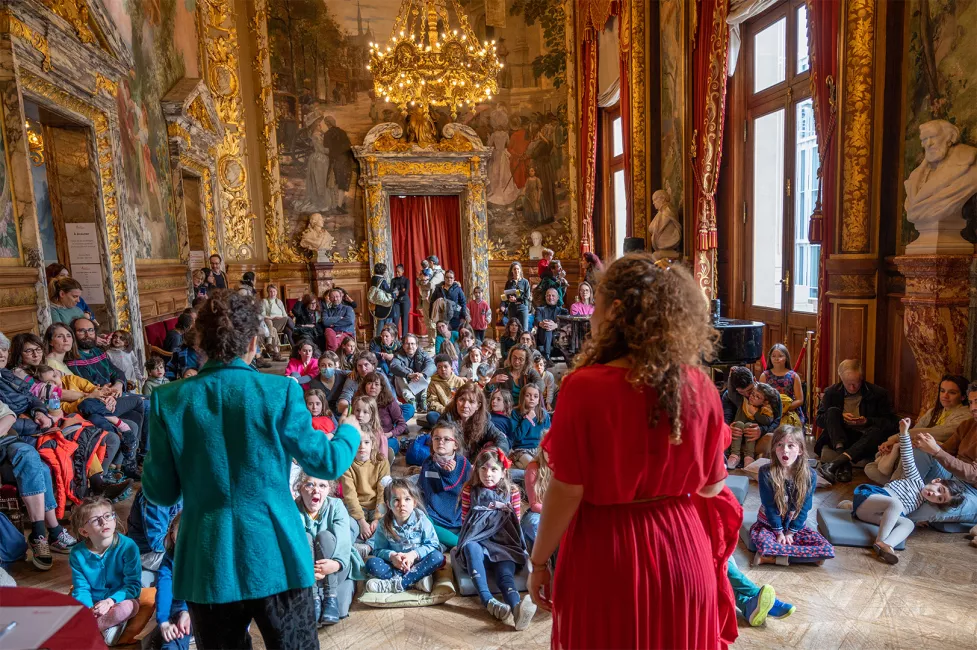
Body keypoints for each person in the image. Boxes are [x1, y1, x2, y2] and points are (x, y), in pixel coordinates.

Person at [527, 254, 739, 649]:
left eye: (596, 306)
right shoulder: (700, 387)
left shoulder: (584, 387)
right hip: (683, 555)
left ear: (614, 311)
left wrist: (539, 561)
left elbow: (566, 490)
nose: (592, 316)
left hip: (607, 555)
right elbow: (711, 488)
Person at [141, 289, 361, 647]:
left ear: (199, 343)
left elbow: (160, 492)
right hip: (276, 550)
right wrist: (350, 431)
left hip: (207, 557)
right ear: (254, 343)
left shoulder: (168, 399)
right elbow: (328, 461)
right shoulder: (279, 391)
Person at [849, 417, 966, 564]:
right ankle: (880, 542)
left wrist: (916, 522)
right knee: (896, 504)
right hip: (873, 498)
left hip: (874, 516)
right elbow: (907, 457)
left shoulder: (921, 503)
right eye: (939, 490)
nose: (935, 494)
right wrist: (904, 432)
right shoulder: (915, 479)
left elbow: (899, 515)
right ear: (936, 481)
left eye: (939, 498)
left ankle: (888, 545)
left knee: (908, 523)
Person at [456, 447, 536, 630]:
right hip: (477, 539)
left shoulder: (512, 491)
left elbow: (515, 522)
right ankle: (488, 600)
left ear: (503, 471)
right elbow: (465, 522)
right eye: (483, 468)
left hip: (503, 542)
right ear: (477, 470)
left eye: (493, 469)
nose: (488, 474)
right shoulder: (470, 490)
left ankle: (516, 608)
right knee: (470, 548)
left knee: (505, 573)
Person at [751, 426, 835, 565]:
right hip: (769, 525)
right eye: (779, 444)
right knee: (765, 544)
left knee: (826, 550)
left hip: (795, 526)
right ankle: (797, 558)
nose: (785, 450)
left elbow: (805, 507)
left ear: (800, 450)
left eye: (791, 446)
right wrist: (779, 532)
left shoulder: (810, 475)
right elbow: (770, 506)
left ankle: (772, 558)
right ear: (774, 448)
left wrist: (790, 532)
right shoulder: (766, 472)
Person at [866, 374, 971, 484]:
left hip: (940, 463)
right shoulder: (933, 411)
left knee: (917, 447)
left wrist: (898, 437)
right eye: (942, 391)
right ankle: (900, 483)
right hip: (916, 461)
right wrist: (896, 442)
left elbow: (938, 433)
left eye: (952, 393)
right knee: (870, 468)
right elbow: (916, 430)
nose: (945, 396)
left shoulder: (965, 415)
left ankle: (899, 485)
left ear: (963, 397)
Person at [900, 381, 977, 525]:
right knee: (922, 450)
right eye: (971, 402)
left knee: (938, 510)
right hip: (951, 478)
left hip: (972, 491)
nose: (973, 408)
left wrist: (936, 450)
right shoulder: (968, 425)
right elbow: (946, 451)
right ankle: (896, 496)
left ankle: (888, 513)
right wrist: (925, 445)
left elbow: (973, 474)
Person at [69, 497, 143, 646]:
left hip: (119, 600)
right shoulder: (77, 553)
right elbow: (81, 588)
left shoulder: (128, 546)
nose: (104, 522)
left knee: (128, 608)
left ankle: (88, 630)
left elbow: (133, 585)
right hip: (93, 602)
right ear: (84, 531)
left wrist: (110, 602)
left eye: (108, 516)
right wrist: (89, 609)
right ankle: (107, 626)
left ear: (114, 520)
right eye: (95, 520)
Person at [816, 359, 899, 484]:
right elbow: (819, 420)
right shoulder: (831, 392)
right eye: (848, 383)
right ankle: (844, 464)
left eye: (856, 383)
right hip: (838, 437)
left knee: (876, 432)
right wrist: (840, 417)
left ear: (861, 378)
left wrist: (867, 421)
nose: (852, 387)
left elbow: (891, 423)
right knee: (832, 411)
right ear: (841, 379)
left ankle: (834, 464)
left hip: (864, 438)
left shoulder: (878, 393)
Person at [294, 473, 359, 627]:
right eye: (310, 485)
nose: (316, 490)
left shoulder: (336, 505)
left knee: (325, 536)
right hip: (307, 572)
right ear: (300, 488)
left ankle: (331, 597)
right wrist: (308, 571)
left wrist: (336, 564)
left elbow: (344, 540)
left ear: (329, 489)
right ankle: (313, 598)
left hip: (335, 568)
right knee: (305, 537)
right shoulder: (293, 509)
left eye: (322, 485)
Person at [364, 478, 445, 594]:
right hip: (395, 565)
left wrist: (413, 555)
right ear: (388, 504)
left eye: (407, 499)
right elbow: (378, 550)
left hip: (417, 563)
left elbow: (433, 544)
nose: (402, 504)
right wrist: (393, 556)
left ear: (414, 502)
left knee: (437, 557)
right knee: (371, 564)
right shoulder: (383, 524)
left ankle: (398, 583)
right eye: (396, 500)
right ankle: (414, 580)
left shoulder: (422, 520)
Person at [339, 422, 391, 555]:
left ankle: (368, 547)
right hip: (356, 507)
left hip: (377, 506)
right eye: (358, 442)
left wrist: (377, 518)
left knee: (386, 523)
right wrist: (361, 521)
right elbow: (350, 495)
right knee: (347, 524)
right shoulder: (347, 464)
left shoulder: (381, 462)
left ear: (372, 444)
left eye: (366, 442)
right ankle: (347, 550)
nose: (362, 446)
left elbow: (383, 492)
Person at [418, 420, 472, 547]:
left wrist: (449, 474)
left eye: (446, 439)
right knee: (422, 520)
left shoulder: (463, 463)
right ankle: (458, 544)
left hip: (457, 513)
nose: (440, 442)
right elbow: (425, 490)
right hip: (434, 513)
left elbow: (464, 491)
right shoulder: (428, 463)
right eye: (436, 438)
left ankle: (452, 543)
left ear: (455, 445)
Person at [143, 514, 192, 650]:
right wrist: (163, 620)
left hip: (201, 608)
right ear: (172, 535)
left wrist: (187, 611)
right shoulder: (170, 558)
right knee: (174, 638)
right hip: (178, 610)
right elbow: (164, 588)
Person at [722, 365, 783, 459]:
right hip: (737, 439)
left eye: (750, 390)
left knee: (771, 438)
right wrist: (730, 429)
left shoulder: (771, 394)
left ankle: (750, 455)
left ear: (754, 380)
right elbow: (726, 419)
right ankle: (738, 455)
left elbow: (776, 421)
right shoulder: (729, 396)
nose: (747, 395)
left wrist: (761, 430)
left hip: (758, 439)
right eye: (742, 392)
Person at [442, 383, 510, 462]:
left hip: (474, 462)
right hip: (450, 462)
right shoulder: (447, 418)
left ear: (478, 406)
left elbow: (501, 438)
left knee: (491, 445)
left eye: (471, 402)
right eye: (462, 399)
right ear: (456, 401)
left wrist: (495, 453)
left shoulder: (483, 421)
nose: (465, 405)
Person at [126, 488, 182, 584]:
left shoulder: (185, 489)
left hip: (171, 543)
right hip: (148, 552)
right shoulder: (156, 494)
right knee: (194, 564)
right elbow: (158, 544)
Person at [727, 383, 779, 469]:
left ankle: (749, 457)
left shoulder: (765, 409)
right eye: (752, 394)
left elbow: (767, 421)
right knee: (738, 424)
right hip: (739, 434)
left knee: (750, 426)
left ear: (765, 402)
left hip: (753, 437)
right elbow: (731, 394)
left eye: (757, 397)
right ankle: (735, 455)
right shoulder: (744, 402)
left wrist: (755, 413)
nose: (752, 397)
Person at [355, 372, 406, 457]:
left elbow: (402, 424)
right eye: (369, 383)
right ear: (364, 386)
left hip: (385, 437)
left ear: (381, 387)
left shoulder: (389, 401)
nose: (373, 387)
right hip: (363, 437)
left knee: (386, 447)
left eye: (376, 384)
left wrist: (390, 434)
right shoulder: (359, 401)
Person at [760, 344, 805, 425]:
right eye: (773, 356)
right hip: (771, 412)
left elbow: (800, 400)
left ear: (786, 358)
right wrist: (774, 410)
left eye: (780, 356)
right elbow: (761, 397)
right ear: (770, 358)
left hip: (790, 411)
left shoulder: (794, 376)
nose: (777, 359)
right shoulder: (765, 376)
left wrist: (784, 408)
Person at [390, 334, 435, 412]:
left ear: (416, 345)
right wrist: (408, 374)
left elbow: (432, 365)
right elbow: (394, 366)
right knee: (398, 375)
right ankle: (411, 400)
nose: (410, 346)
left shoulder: (423, 354)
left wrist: (422, 375)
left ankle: (424, 398)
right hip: (405, 388)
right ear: (403, 345)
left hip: (420, 386)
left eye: (412, 344)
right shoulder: (398, 355)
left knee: (428, 374)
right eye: (407, 344)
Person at [508, 383, 549, 469]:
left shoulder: (544, 414)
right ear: (523, 397)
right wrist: (528, 419)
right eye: (528, 395)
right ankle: (519, 461)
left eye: (535, 396)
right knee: (533, 466)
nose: (532, 398)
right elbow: (516, 437)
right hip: (522, 450)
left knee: (547, 467)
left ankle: (520, 464)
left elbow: (548, 436)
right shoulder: (515, 413)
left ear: (539, 399)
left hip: (539, 449)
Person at [425, 354, 467, 427]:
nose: (443, 369)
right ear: (437, 370)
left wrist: (456, 410)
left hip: (457, 411)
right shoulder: (433, 383)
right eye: (439, 367)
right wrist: (445, 410)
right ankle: (450, 426)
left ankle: (447, 426)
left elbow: (465, 398)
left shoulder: (459, 381)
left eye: (445, 366)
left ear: (451, 368)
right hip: (443, 412)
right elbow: (432, 401)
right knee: (431, 416)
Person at [521, 447, 550, 551]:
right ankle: (539, 557)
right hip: (541, 510)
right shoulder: (534, 467)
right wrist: (554, 513)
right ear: (542, 450)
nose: (551, 453)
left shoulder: (567, 467)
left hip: (562, 510)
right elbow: (534, 504)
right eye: (548, 450)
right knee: (531, 524)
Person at [534, 288, 568, 363]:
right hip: (543, 336)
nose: (550, 297)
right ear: (545, 297)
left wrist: (556, 325)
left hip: (558, 336)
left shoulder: (563, 311)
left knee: (548, 327)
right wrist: (542, 324)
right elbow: (537, 319)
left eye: (553, 295)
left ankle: (547, 356)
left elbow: (566, 324)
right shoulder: (540, 309)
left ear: (557, 298)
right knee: (547, 328)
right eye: (548, 295)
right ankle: (547, 357)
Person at [503, 262, 532, 332]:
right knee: (512, 329)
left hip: (523, 307)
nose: (516, 271)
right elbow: (505, 295)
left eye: (518, 269)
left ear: (520, 270)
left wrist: (516, 299)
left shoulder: (525, 282)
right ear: (512, 271)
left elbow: (527, 296)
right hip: (512, 307)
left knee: (523, 329)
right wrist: (509, 299)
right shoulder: (509, 282)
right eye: (514, 269)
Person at [369, 263, 394, 331]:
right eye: (385, 270)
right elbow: (388, 292)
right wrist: (394, 294)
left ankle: (379, 336)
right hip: (385, 306)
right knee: (388, 326)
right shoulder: (382, 280)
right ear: (382, 271)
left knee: (380, 324)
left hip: (378, 305)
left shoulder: (373, 279)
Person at [390, 264, 411, 338]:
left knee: (404, 319)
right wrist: (401, 290)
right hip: (396, 301)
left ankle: (404, 338)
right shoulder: (393, 280)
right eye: (396, 272)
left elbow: (406, 292)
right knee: (395, 319)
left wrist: (398, 291)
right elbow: (391, 291)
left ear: (403, 271)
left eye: (398, 272)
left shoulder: (406, 280)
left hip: (405, 301)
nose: (397, 273)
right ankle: (394, 337)